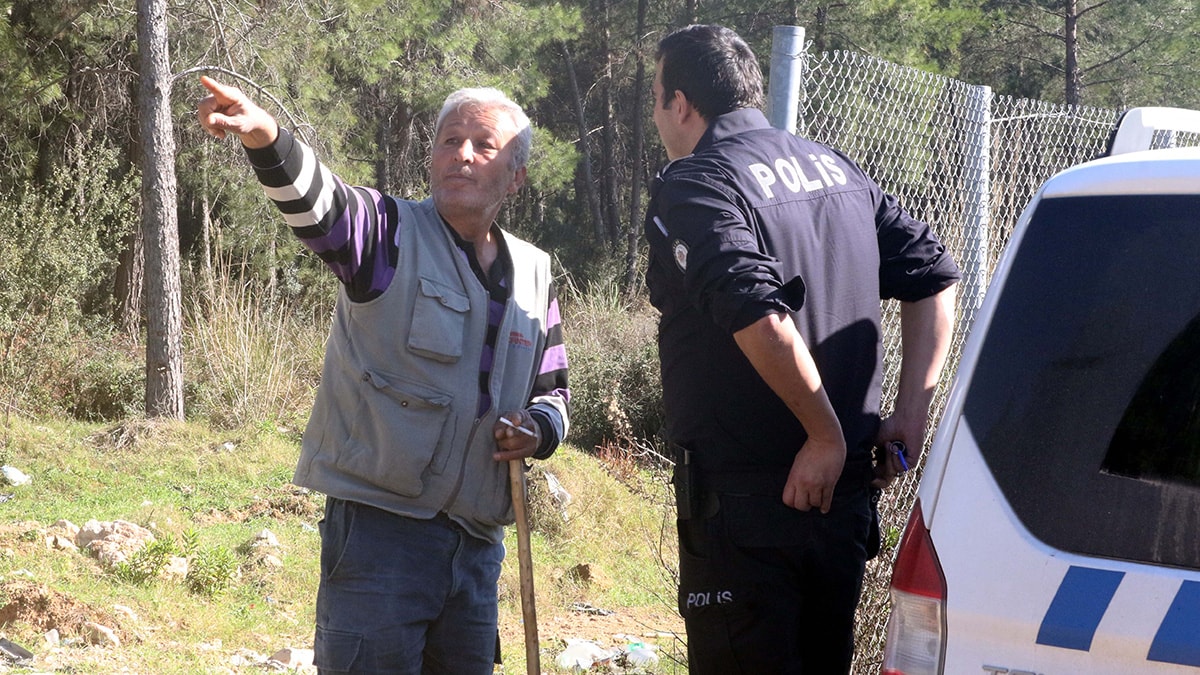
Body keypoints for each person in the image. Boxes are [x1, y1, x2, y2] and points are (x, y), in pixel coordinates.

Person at [196, 76, 569, 674]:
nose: (463, 155)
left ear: (516, 176)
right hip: (379, 538)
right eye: (450, 141)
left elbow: (554, 392)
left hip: (477, 549)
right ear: (431, 158)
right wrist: (267, 138)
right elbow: (321, 206)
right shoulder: (387, 233)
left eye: (483, 145)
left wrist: (537, 430)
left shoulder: (534, 275)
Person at [644, 25, 960, 674]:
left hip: (750, 510)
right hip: (841, 507)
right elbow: (936, 274)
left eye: (655, 100)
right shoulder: (834, 167)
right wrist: (911, 413)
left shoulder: (696, 183)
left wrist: (823, 435)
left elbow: (756, 310)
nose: (657, 118)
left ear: (681, 103)